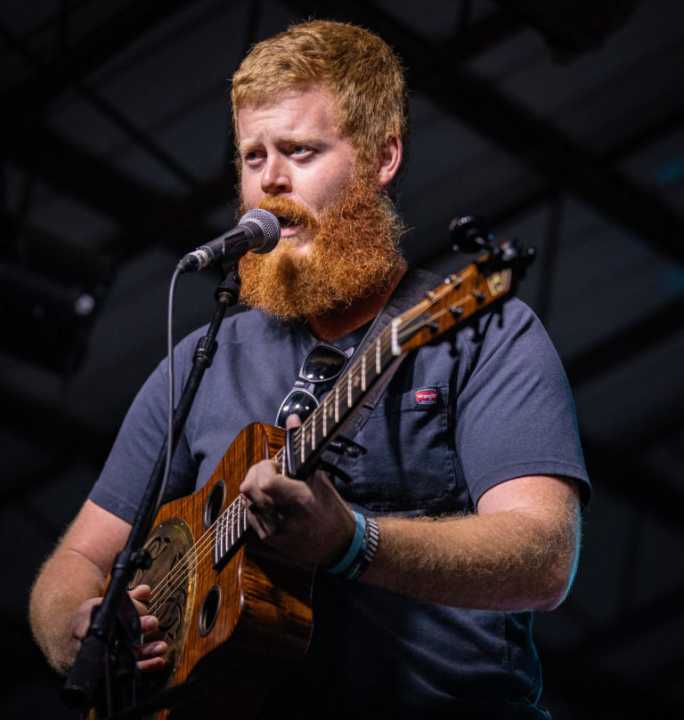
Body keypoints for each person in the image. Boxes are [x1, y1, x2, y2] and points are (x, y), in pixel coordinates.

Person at [29, 20, 590, 719]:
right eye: (252, 156)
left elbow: (544, 557)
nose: (270, 179)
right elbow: (77, 563)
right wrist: (78, 628)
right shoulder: (202, 360)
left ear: (383, 158)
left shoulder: (485, 331)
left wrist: (353, 542)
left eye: (300, 150)